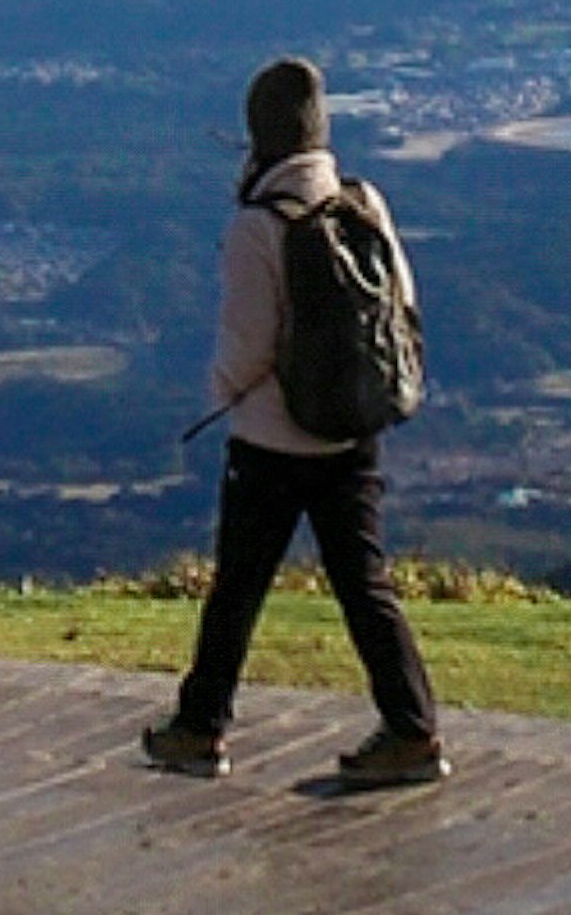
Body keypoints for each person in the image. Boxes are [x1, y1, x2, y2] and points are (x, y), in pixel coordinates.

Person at [140, 55, 446, 787]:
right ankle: (412, 729)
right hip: (351, 429)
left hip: (273, 439)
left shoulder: (258, 225)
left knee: (238, 587)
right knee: (364, 584)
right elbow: (400, 302)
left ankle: (199, 727)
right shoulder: (363, 201)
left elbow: (246, 344)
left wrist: (221, 393)